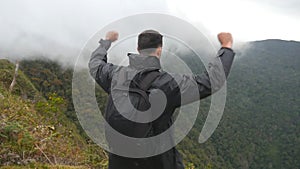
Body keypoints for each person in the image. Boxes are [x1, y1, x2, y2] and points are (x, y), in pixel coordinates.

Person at [89, 30, 235, 169]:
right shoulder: (168, 84)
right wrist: (226, 47)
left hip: (120, 160)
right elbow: (210, 81)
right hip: (156, 162)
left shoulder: (114, 75)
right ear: (159, 51)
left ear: (138, 48)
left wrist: (106, 42)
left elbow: (95, 64)